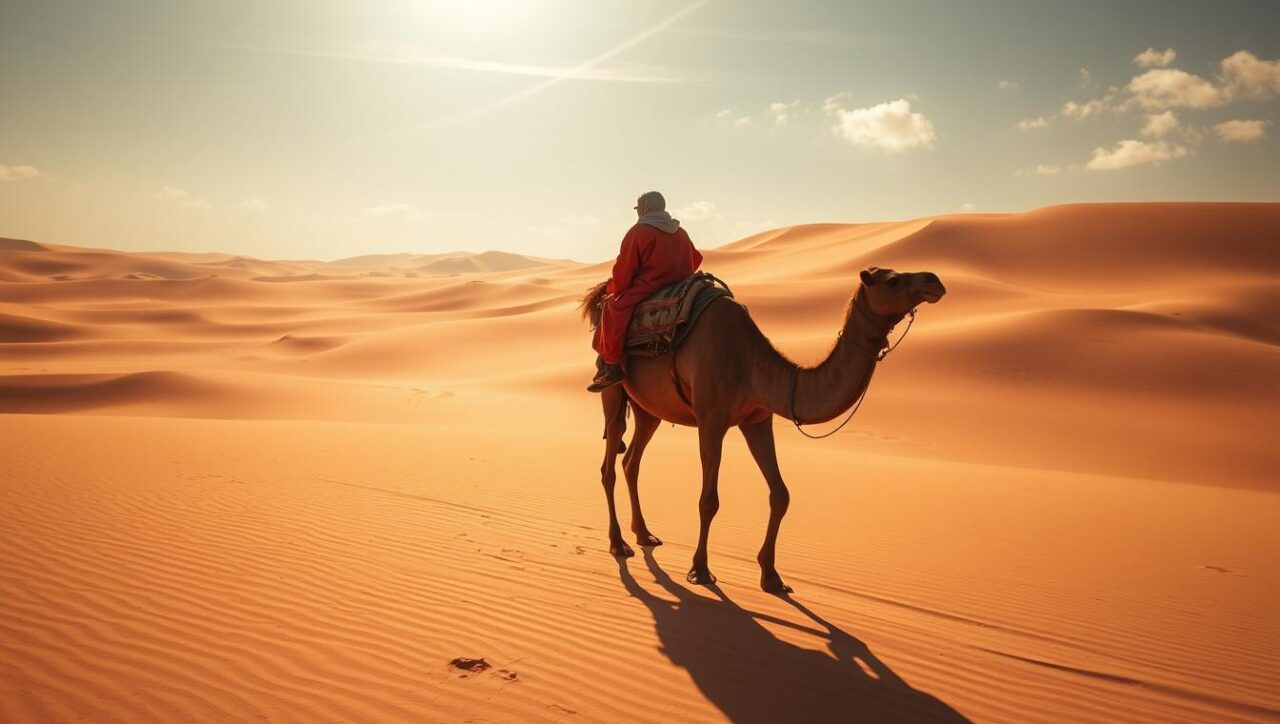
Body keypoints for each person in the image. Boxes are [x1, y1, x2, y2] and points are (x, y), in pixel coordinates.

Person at [588, 191, 704, 392]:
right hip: (682, 285)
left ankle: (612, 365)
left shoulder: (639, 232)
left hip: (650, 287)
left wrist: (614, 288)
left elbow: (623, 274)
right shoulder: (680, 231)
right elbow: (696, 259)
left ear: (644, 208)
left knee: (612, 305)